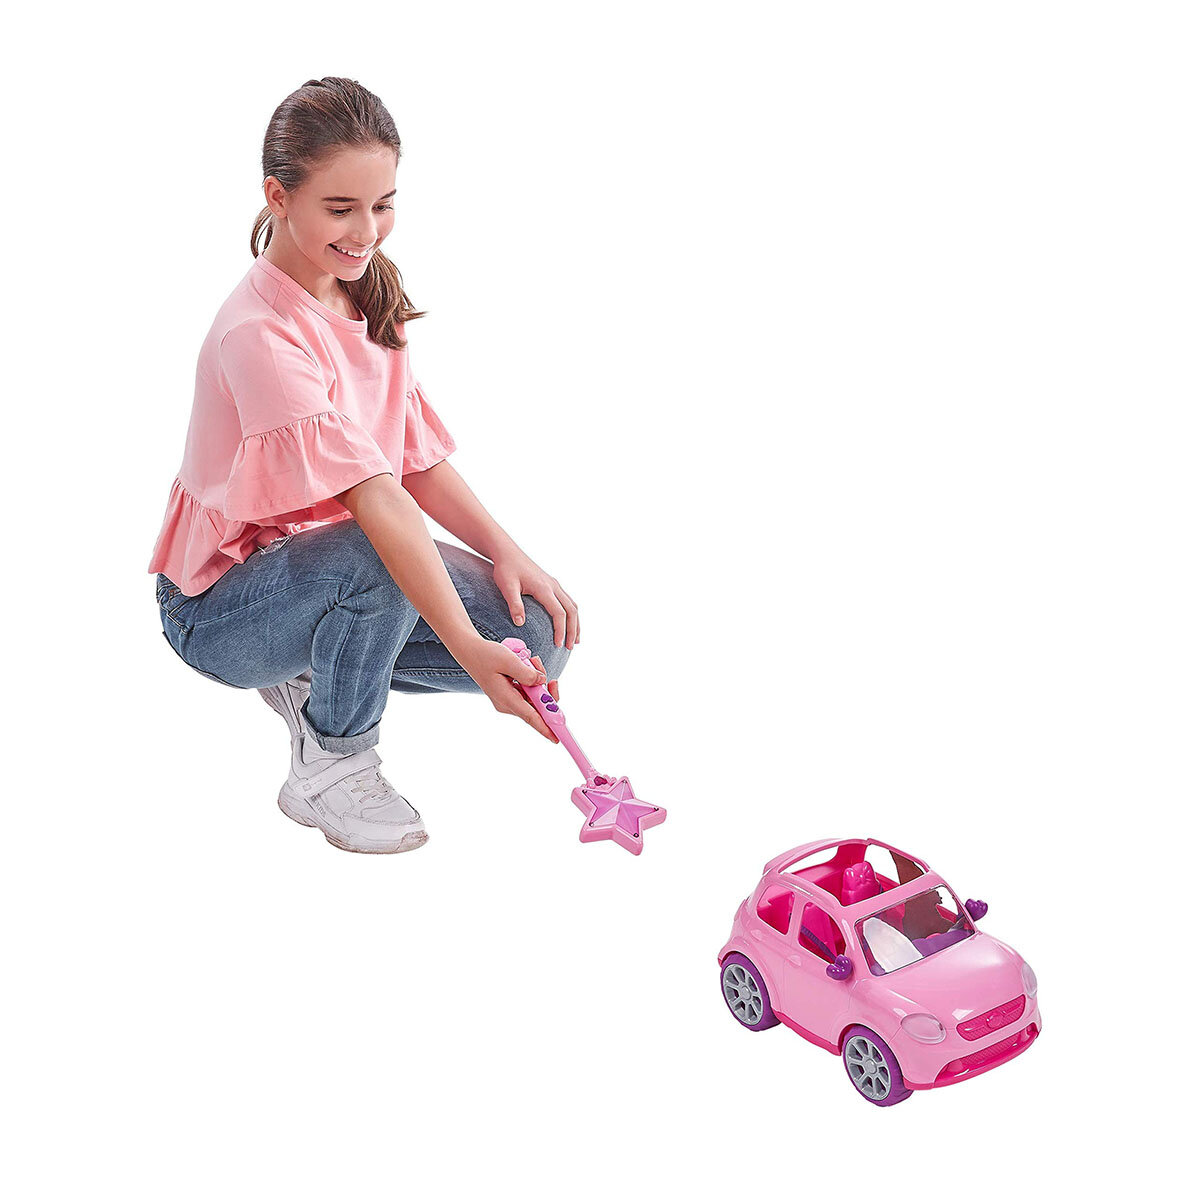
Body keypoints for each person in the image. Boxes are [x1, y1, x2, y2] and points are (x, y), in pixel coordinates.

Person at [147, 77, 578, 855]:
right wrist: (463, 646)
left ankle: (321, 654)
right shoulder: (258, 334)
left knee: (537, 639)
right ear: (278, 196)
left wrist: (510, 554)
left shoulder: (365, 289)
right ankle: (330, 761)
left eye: (382, 204)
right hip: (217, 610)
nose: (367, 231)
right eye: (340, 209)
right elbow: (378, 501)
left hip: (329, 565)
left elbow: (411, 461)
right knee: (377, 555)